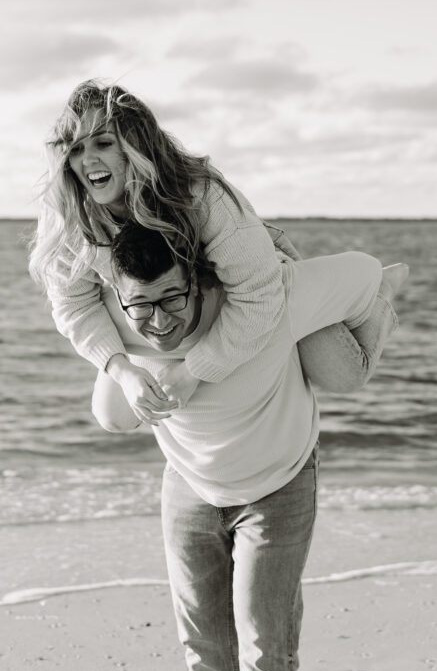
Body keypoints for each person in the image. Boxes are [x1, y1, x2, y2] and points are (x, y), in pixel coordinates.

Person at [90, 221, 407, 671]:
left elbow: (363, 269)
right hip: (189, 486)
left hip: (279, 483)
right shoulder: (122, 328)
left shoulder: (260, 307)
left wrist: (330, 288)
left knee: (266, 650)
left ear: (197, 281)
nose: (158, 321)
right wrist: (125, 373)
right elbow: (108, 407)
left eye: (171, 300)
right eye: (141, 306)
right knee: (205, 646)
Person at [29, 80, 388, 422]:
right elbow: (73, 304)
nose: (88, 160)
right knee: (115, 417)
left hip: (253, 273)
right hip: (174, 298)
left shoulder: (200, 195)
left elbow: (257, 295)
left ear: (133, 145)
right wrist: (123, 372)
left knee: (344, 376)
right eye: (76, 149)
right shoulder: (68, 215)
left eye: (103, 143)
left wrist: (194, 370)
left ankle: (379, 297)